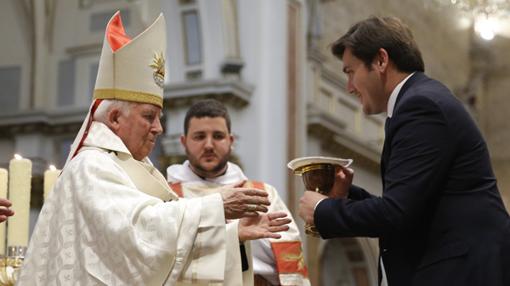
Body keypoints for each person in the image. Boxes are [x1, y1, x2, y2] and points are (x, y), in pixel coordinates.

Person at [18, 12, 291, 285]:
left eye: (159, 118)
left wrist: (231, 235)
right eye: (149, 116)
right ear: (114, 118)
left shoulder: (130, 167)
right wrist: (217, 206)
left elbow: (159, 247)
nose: (159, 128)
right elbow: (142, 231)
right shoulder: (92, 166)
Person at [298, 16, 510, 286]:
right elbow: (411, 204)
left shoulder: (421, 106)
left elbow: (396, 213)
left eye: (350, 72)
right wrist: (346, 195)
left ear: (381, 61)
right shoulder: (419, 101)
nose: (349, 87)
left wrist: (323, 211)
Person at [167, 99, 310, 286]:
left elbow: (289, 260)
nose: (209, 145)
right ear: (184, 142)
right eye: (199, 136)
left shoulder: (261, 194)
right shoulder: (168, 196)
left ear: (231, 141)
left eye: (218, 136)